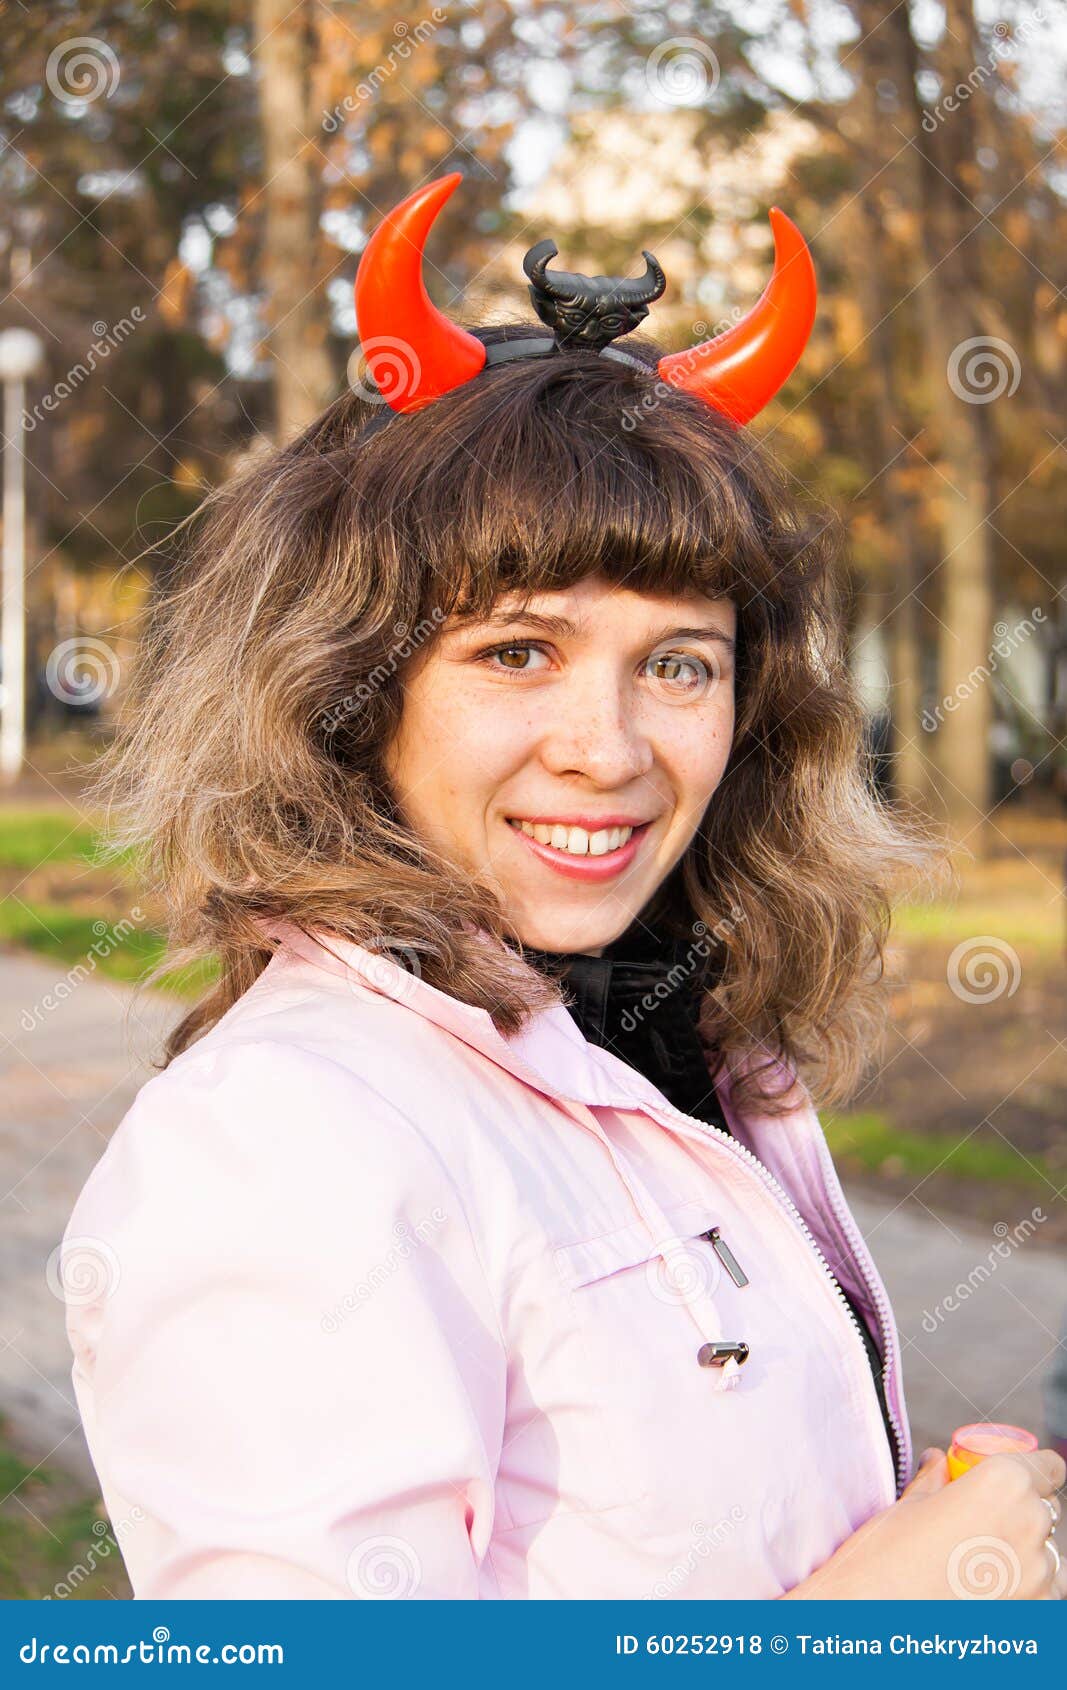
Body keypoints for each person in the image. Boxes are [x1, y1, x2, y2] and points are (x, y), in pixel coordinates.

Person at [61, 174, 1064, 1600]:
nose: (610, 749)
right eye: (517, 652)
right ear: (351, 694)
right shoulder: (279, 1141)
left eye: (679, 664)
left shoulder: (674, 1049)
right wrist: (878, 1619)